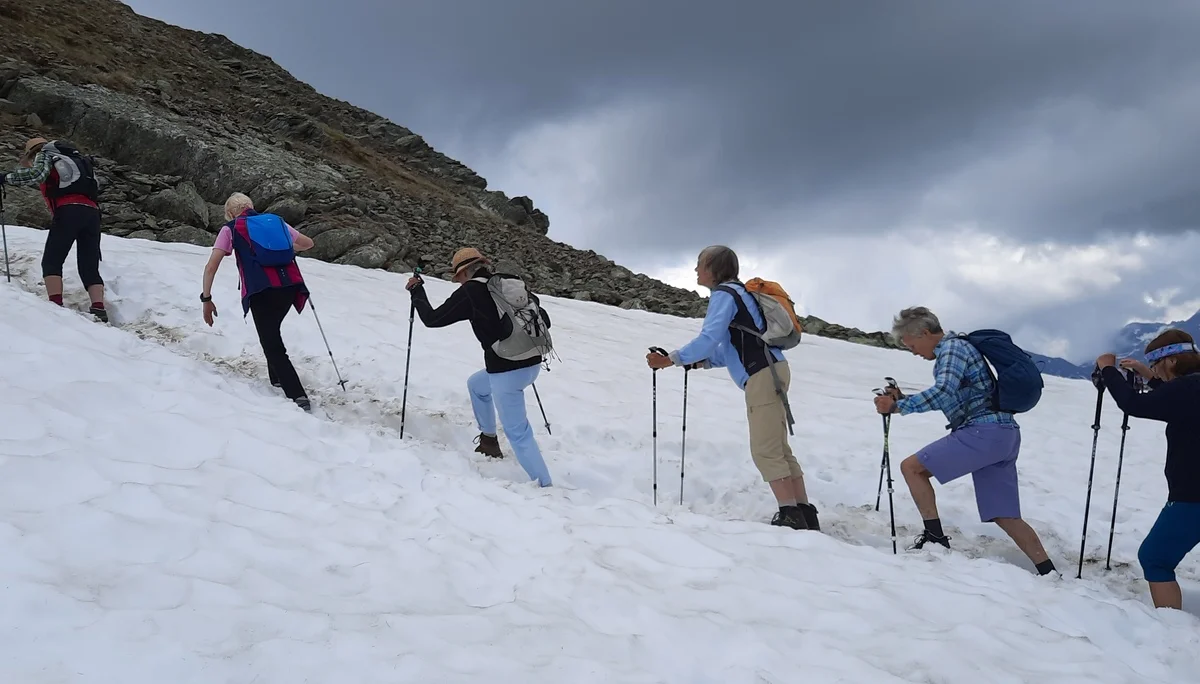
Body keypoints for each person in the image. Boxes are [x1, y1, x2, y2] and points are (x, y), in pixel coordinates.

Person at [874, 306, 1057, 575]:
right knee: (1004, 514)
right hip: (1004, 434)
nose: (913, 352)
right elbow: (956, 394)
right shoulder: (961, 348)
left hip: (983, 432)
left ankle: (934, 538)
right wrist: (902, 399)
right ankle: (1048, 571)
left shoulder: (951, 350)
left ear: (925, 333)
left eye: (912, 345)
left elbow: (944, 392)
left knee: (912, 468)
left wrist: (898, 407)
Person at [646, 245, 816, 531]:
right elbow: (732, 347)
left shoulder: (724, 295)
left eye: (700, 264)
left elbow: (710, 337)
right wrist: (696, 364)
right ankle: (803, 512)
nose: (696, 270)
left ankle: (790, 514)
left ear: (713, 268)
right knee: (779, 447)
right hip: (772, 368)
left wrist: (672, 359)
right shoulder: (738, 294)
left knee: (765, 449)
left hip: (763, 375)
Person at [405, 247, 553, 488]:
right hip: (532, 362)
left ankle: (545, 486)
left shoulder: (471, 292)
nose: (458, 282)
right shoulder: (507, 284)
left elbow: (432, 319)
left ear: (464, 273)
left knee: (518, 433)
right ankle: (489, 441)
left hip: (507, 371)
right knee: (477, 386)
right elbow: (543, 318)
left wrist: (416, 291)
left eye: (458, 277)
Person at [1096, 329, 1200, 610]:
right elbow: (1178, 400)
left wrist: (1108, 370)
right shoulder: (1192, 388)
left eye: (1156, 366)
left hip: (1192, 495)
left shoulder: (1185, 390)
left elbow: (1134, 404)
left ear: (1172, 362)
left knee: (1156, 558)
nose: (1157, 372)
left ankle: (1171, 631)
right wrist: (1149, 376)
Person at [200, 192, 315, 412]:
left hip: (262, 290)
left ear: (231, 212)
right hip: (291, 287)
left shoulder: (231, 228)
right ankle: (277, 379)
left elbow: (211, 266)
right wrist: (287, 250)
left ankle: (298, 396)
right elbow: (308, 243)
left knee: (272, 343)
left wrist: (206, 298)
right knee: (271, 331)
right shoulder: (276, 221)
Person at [0, 137, 108, 321]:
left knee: (52, 261)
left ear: (33, 152)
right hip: (92, 213)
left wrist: (5, 178)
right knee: (89, 265)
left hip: (68, 210)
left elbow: (37, 175)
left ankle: (55, 307)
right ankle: (99, 309)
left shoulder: (45, 155)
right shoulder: (78, 160)